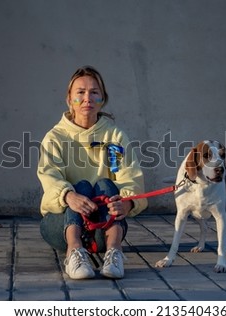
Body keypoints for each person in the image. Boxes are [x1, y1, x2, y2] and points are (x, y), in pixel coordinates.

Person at [37, 65, 148, 280]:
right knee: (80, 187)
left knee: (107, 185)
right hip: (62, 226)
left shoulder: (114, 136)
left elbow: (129, 176)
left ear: (102, 99)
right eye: (80, 92)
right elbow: (50, 177)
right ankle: (74, 251)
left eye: (94, 92)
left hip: (104, 227)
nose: (87, 98)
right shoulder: (55, 137)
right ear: (69, 100)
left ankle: (114, 252)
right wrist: (69, 197)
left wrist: (126, 202)